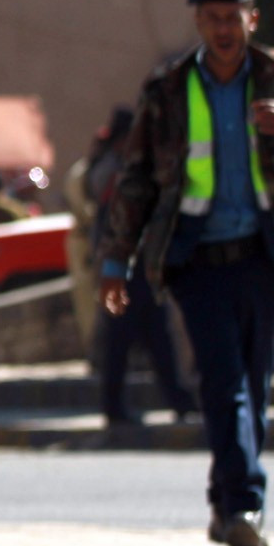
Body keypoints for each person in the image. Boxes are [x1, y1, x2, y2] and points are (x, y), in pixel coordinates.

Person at [99, 0, 274, 546]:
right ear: (198, 23)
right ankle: (245, 503)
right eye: (211, 19)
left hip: (269, 253)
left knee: (253, 385)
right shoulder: (166, 90)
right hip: (194, 256)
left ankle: (224, 499)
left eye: (232, 18)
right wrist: (117, 262)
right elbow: (134, 181)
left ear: (251, 20)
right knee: (222, 381)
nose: (222, 29)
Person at [76, 106, 189, 428]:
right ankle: (115, 407)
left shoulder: (122, 167)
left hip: (136, 266)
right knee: (120, 340)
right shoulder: (114, 171)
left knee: (157, 335)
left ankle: (177, 399)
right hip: (120, 267)